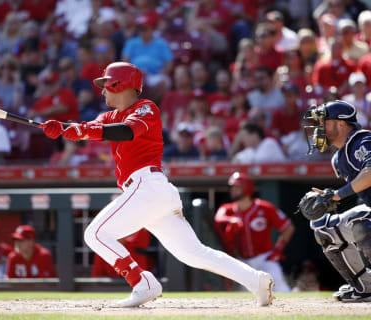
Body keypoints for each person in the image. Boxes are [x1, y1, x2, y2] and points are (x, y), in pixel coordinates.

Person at [39, 61, 275, 307]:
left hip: (147, 186)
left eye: (106, 85)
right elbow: (93, 127)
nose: (102, 90)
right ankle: (256, 280)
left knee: (96, 234)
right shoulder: (110, 116)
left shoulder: (146, 108)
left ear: (120, 84)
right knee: (193, 253)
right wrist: (64, 128)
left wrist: (81, 130)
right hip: (150, 194)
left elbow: (126, 131)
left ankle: (142, 283)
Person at [299, 100, 371, 302]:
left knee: (363, 225)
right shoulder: (338, 158)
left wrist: (338, 194)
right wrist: (329, 197)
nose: (319, 128)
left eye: (324, 123)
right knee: (324, 228)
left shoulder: (361, 140)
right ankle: (364, 287)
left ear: (341, 124)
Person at [214, 172, 295, 292]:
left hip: (265, 258)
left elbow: (288, 227)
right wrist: (232, 220)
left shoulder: (265, 207)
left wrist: (278, 250)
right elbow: (218, 218)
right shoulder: (228, 209)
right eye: (232, 187)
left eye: (237, 187)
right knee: (246, 295)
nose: (233, 190)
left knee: (279, 285)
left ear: (247, 188)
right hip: (242, 261)